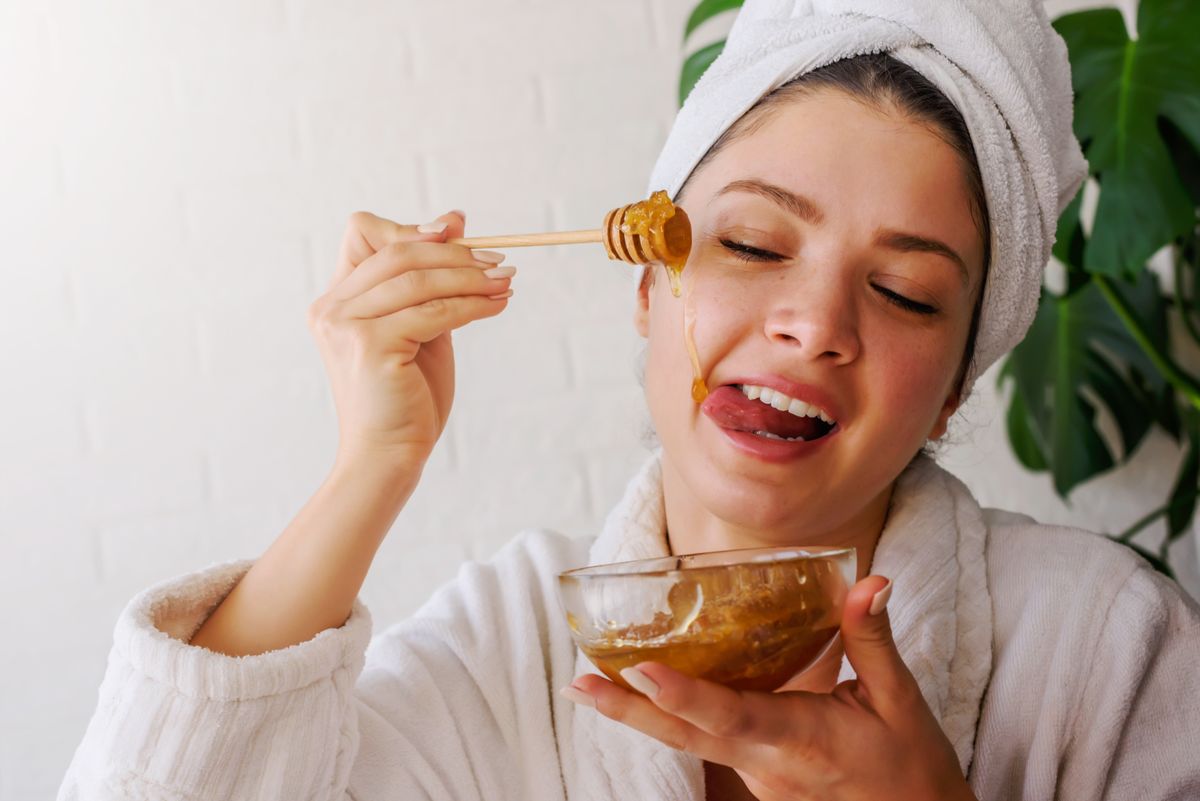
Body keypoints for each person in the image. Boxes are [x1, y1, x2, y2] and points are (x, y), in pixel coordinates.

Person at [59, 1, 1200, 800]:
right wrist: (372, 465)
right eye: (752, 242)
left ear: (957, 387)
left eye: (904, 292)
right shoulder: (506, 649)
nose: (813, 324)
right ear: (648, 290)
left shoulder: (1109, 650)